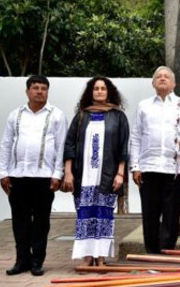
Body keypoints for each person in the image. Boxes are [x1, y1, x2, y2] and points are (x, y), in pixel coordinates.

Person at [0, 75, 68, 276]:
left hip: (44, 177)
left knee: (41, 221)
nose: (39, 91)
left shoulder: (56, 115)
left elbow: (62, 146)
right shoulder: (16, 115)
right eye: (35, 88)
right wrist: (3, 173)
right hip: (17, 176)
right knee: (19, 221)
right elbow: (6, 144)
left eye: (43, 88)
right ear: (27, 91)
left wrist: (58, 174)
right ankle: (21, 261)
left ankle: (37, 261)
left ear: (48, 91)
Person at [63, 77, 129, 267]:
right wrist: (68, 172)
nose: (99, 91)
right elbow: (69, 145)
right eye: (96, 88)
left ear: (109, 92)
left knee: (103, 214)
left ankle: (100, 257)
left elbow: (124, 148)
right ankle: (86, 256)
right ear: (90, 92)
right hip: (83, 175)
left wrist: (120, 174)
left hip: (107, 176)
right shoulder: (82, 116)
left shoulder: (118, 116)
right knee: (85, 214)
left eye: (103, 88)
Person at [129, 66, 180, 254]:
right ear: (152, 83)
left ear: (174, 83)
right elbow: (136, 136)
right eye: (158, 76)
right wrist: (135, 166)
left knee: (171, 215)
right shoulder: (144, 105)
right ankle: (151, 253)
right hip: (149, 168)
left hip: (174, 169)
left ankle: (166, 254)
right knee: (150, 215)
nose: (162, 78)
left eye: (166, 76)